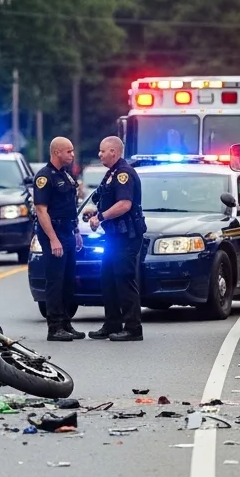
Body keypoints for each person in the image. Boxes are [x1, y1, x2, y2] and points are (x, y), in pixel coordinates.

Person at [86, 135, 145, 341]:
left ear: (114, 152)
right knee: (108, 279)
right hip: (114, 236)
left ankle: (133, 328)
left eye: (103, 150)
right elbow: (106, 198)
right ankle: (112, 324)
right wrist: (95, 211)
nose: (99, 154)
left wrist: (100, 217)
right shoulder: (112, 173)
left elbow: (124, 205)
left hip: (126, 236)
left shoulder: (124, 174)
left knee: (124, 279)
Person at [33, 136, 84, 342]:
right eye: (69, 151)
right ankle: (54, 327)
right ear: (57, 153)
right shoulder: (45, 177)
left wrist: (76, 231)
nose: (72, 155)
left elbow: (69, 209)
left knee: (68, 280)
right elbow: (41, 210)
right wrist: (53, 239)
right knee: (55, 281)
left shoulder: (66, 176)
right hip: (53, 233)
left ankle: (65, 323)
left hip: (68, 232)